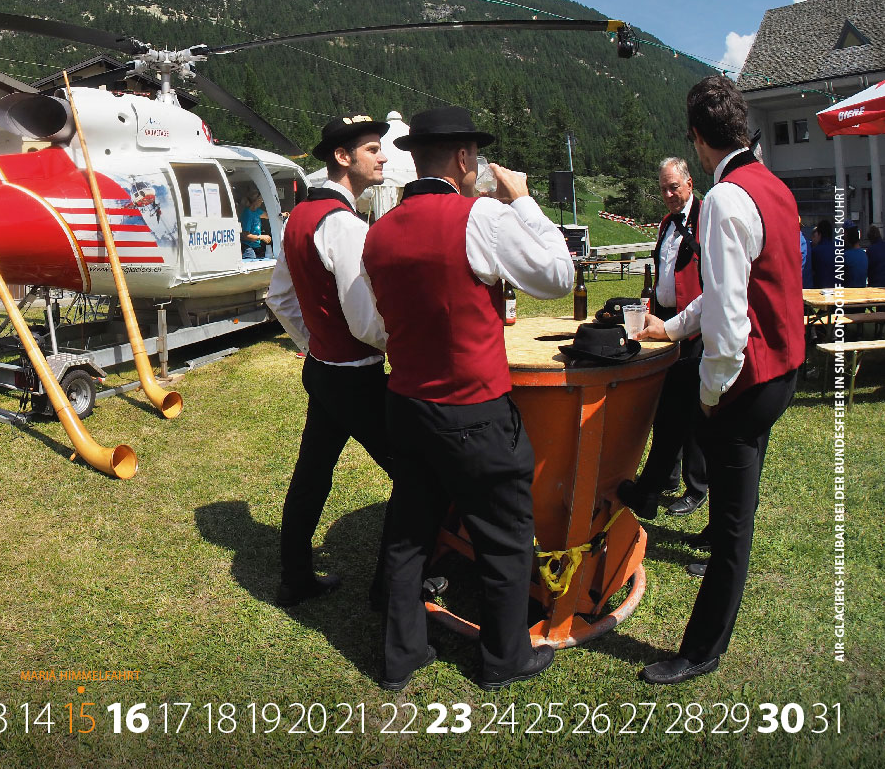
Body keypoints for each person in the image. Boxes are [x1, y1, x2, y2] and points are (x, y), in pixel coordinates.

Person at [362, 105, 575, 691]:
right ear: (463, 158)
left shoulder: (378, 233)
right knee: (505, 537)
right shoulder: (479, 216)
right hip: (472, 409)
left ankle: (401, 656)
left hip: (407, 403)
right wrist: (523, 201)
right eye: (474, 156)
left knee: (409, 534)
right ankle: (504, 658)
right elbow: (557, 275)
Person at [636, 75, 803, 684]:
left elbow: (729, 321)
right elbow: (727, 292)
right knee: (737, 510)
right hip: (784, 370)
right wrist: (674, 327)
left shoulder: (727, 199)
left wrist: (711, 395)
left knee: (732, 527)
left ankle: (702, 649)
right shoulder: (773, 186)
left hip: (750, 379)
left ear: (698, 139)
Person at [266, 115, 393, 608]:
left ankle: (295, 577)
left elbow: (279, 298)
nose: (382, 156)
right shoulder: (344, 225)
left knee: (312, 473)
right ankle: (396, 589)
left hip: (322, 371)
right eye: (372, 149)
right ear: (343, 157)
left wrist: (316, 341)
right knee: (417, 474)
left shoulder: (299, 216)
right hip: (356, 378)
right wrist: (403, 347)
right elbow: (365, 323)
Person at [617, 157, 708, 520]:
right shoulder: (667, 223)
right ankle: (668, 475)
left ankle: (696, 487)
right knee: (667, 400)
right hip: (664, 319)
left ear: (689, 183)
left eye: (674, 187)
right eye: (663, 189)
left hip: (696, 323)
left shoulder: (705, 217)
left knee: (694, 409)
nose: (669, 195)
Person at [239, 188, 270, 259]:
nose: (262, 201)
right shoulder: (247, 214)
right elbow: (245, 235)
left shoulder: (257, 211)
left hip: (256, 247)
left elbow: (268, 216)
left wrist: (281, 214)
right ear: (256, 200)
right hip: (247, 249)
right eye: (260, 199)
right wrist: (261, 237)